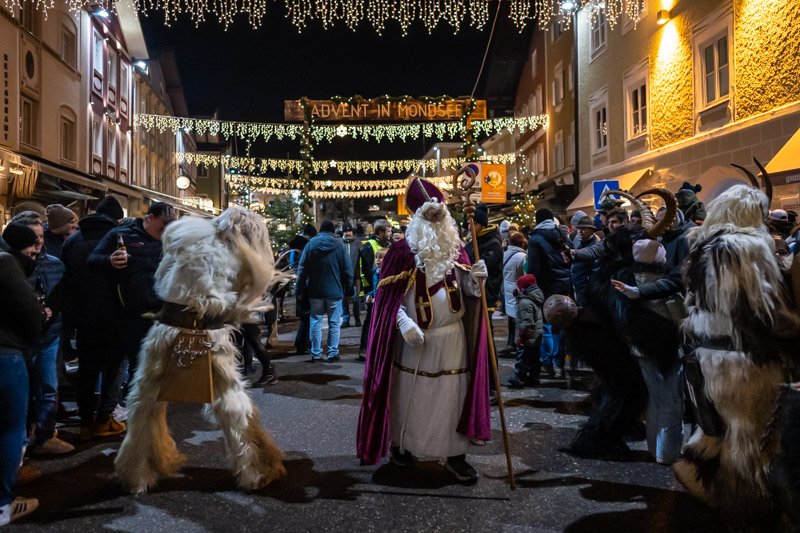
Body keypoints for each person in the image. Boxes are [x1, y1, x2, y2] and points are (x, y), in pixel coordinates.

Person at [114, 206, 286, 495]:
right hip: (210, 336)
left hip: (167, 330)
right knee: (230, 401)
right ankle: (252, 470)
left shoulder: (185, 236)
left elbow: (160, 281)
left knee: (146, 401)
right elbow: (234, 305)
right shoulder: (237, 254)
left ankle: (137, 474)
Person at [674, 183, 800, 525]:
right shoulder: (748, 247)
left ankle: (716, 493)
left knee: (722, 431)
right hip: (744, 361)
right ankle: (747, 512)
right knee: (748, 441)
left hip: (706, 356)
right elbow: (764, 312)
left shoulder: (701, 246)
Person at [357, 177, 491, 485]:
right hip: (414, 341)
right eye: (429, 215)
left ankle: (456, 456)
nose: (435, 220)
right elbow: (386, 301)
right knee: (410, 396)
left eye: (439, 214)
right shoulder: (401, 253)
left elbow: (470, 294)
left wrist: (478, 280)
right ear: (417, 217)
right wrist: (402, 322)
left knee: (452, 397)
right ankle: (403, 446)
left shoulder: (457, 251)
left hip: (452, 338)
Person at [88, 201, 175, 400]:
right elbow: (92, 260)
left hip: (159, 316)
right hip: (126, 315)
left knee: (149, 366)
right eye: (164, 223)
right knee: (118, 364)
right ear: (150, 218)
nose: (167, 229)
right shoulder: (121, 234)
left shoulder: (170, 240)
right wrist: (109, 261)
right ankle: (114, 408)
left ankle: (138, 405)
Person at [611, 239, 684, 464]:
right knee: (672, 400)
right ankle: (667, 452)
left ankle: (654, 448)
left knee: (654, 398)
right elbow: (681, 319)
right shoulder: (664, 284)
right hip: (668, 351)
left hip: (640, 351)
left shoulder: (628, 281)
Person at [60, 196, 127, 441]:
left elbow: (66, 279)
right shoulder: (119, 240)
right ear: (117, 219)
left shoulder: (73, 241)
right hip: (115, 317)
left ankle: (85, 423)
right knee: (114, 368)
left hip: (84, 318)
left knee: (87, 371)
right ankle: (104, 419)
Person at [12, 213, 74, 455]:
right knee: (21, 392)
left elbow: (62, 295)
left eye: (40, 236)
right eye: (32, 237)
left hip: (50, 337)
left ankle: (45, 436)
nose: (38, 242)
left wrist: (52, 310)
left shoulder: (55, 263)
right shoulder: (10, 264)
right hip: (20, 339)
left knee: (49, 387)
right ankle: (20, 444)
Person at [0, 223, 45, 525]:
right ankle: (3, 505)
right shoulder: (5, 263)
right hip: (7, 354)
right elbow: (31, 313)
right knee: (10, 428)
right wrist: (41, 317)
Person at [295, 220, 353, 362]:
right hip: (335, 291)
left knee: (316, 321)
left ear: (320, 231)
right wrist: (349, 289)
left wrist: (299, 290)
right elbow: (348, 270)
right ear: (333, 231)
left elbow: (302, 270)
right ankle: (332, 353)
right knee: (334, 323)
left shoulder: (311, 245)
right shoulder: (340, 245)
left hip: (315, 291)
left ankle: (316, 353)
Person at [359, 219, 390, 356]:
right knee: (370, 319)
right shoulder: (369, 245)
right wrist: (369, 293)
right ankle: (364, 349)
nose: (390, 233)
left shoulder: (387, 245)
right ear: (380, 232)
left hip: (383, 289)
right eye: (388, 231)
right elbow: (366, 270)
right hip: (372, 290)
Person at [507, 274, 544, 388]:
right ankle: (534, 377)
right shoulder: (535, 297)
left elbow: (526, 323)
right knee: (534, 357)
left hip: (527, 336)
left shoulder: (525, 303)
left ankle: (520, 378)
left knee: (523, 357)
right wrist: (519, 296)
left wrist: (522, 338)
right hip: (536, 334)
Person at [289, 224, 317, 356]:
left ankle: (302, 343)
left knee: (305, 317)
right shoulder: (305, 247)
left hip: (301, 286)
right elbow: (304, 270)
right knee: (307, 317)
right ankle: (302, 344)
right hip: (305, 287)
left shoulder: (296, 246)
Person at [502, 231, 527, 351]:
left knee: (510, 317)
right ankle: (517, 343)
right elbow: (525, 274)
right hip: (517, 289)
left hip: (506, 288)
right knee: (517, 317)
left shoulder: (504, 254)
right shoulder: (522, 256)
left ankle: (510, 343)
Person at [570, 216, 602, 307]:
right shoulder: (581, 242)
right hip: (580, 288)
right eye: (579, 228)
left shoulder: (594, 245)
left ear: (592, 230)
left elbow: (596, 271)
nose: (580, 231)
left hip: (587, 291)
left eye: (583, 229)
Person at [341, 223, 363, 328]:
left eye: (349, 231)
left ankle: (357, 319)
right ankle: (346, 320)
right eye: (345, 231)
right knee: (343, 299)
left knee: (356, 299)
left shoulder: (358, 243)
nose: (347, 233)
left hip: (356, 276)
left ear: (352, 232)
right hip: (342, 277)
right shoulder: (339, 243)